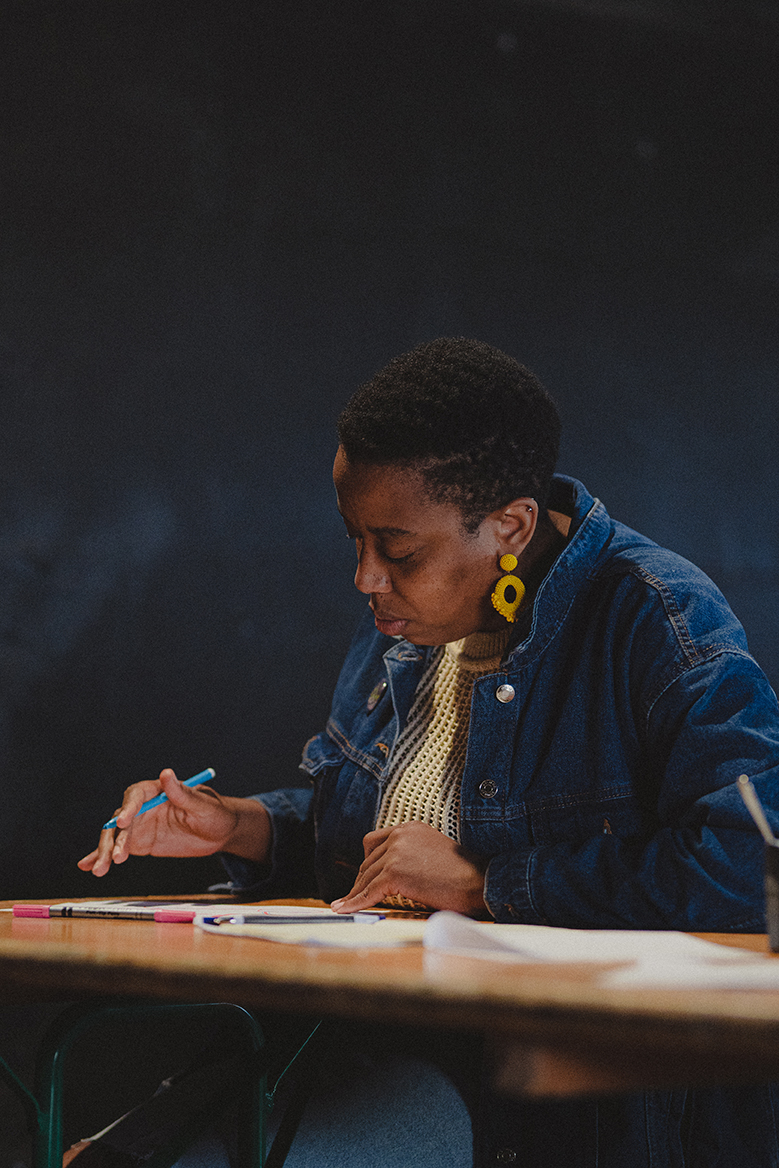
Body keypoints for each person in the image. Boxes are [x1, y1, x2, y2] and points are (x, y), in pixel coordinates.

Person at [75, 337, 779, 1167]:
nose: (367, 579)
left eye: (398, 550)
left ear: (510, 525)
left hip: (534, 1096)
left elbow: (746, 868)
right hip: (355, 1039)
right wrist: (239, 828)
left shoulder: (655, 618)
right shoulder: (408, 623)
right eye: (356, 543)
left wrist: (486, 887)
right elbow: (389, 852)